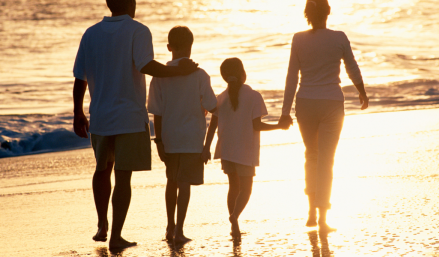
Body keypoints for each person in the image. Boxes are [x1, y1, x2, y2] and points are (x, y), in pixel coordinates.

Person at [72, 0, 198, 249]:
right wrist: (179, 71)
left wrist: (78, 112)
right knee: (122, 177)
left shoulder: (91, 33)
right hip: (128, 117)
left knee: (102, 169)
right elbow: (147, 66)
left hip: (100, 116)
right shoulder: (138, 30)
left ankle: (101, 224)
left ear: (109, 4)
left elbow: (80, 77)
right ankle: (116, 236)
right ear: (131, 4)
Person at [279, 0, 369, 233]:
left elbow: (291, 76)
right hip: (331, 103)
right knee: (326, 159)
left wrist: (284, 111)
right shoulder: (339, 37)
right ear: (328, 12)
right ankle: (322, 218)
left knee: (312, 154)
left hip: (305, 103)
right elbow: (352, 67)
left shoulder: (298, 39)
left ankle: (310, 210)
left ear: (306, 14)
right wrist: (362, 92)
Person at [203, 58, 291, 239]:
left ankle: (234, 225)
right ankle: (234, 217)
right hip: (245, 150)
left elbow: (212, 127)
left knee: (233, 187)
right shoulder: (253, 96)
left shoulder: (220, 98)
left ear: (224, 77)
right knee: (246, 189)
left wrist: (206, 148)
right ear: (243, 74)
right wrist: (279, 126)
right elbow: (257, 126)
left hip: (226, 149)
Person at [147, 26, 217, 245]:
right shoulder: (200, 75)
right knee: (184, 184)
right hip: (192, 139)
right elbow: (213, 107)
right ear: (191, 46)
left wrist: (158, 141)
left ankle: (169, 227)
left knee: (171, 182)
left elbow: (156, 112)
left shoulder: (159, 77)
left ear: (169, 47)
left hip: (169, 137)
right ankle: (179, 229)